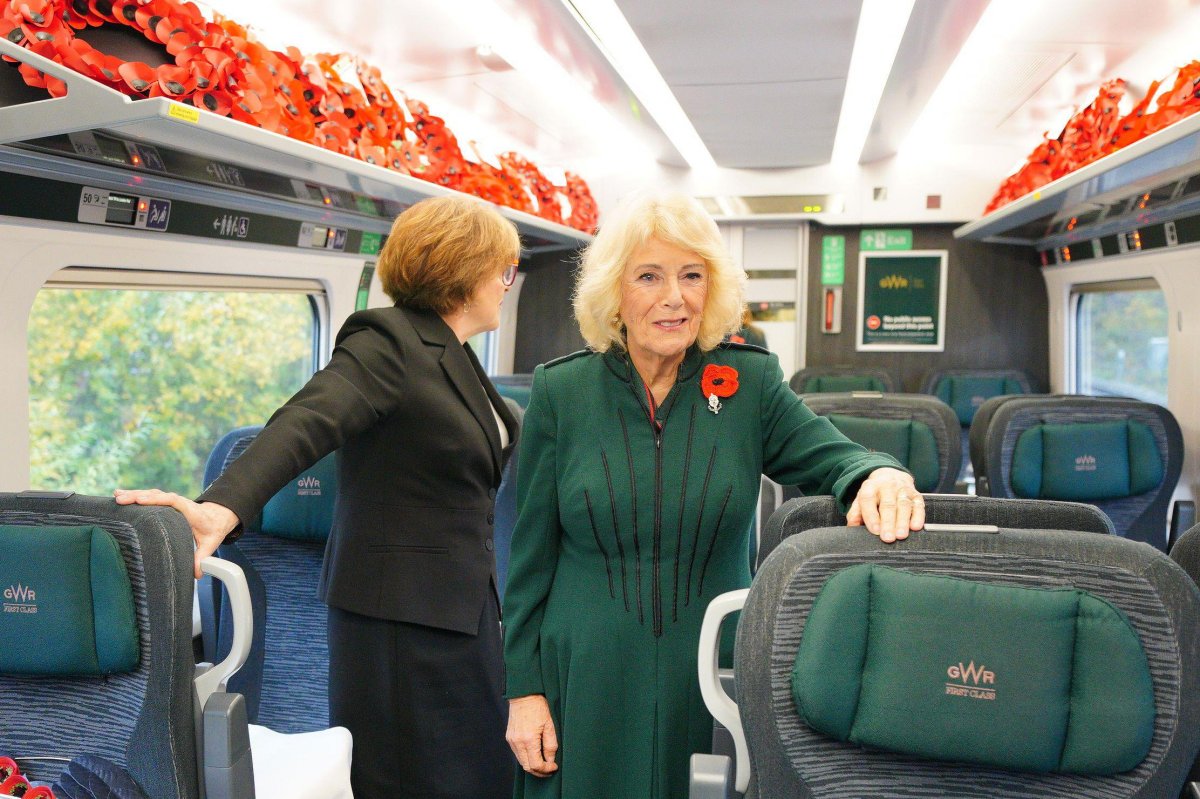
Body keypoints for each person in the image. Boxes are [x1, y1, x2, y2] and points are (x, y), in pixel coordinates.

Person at [502, 191, 923, 798]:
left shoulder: (749, 382)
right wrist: (524, 688)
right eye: (649, 276)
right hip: (583, 674)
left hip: (712, 669)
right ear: (614, 291)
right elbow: (529, 557)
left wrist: (878, 474)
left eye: (692, 275)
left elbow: (837, 457)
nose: (675, 296)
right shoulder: (562, 392)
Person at [115, 195, 521, 799]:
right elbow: (308, 421)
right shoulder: (389, 341)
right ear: (466, 270)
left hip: (463, 607)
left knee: (476, 772)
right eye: (504, 268)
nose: (507, 283)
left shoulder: (455, 352)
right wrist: (222, 509)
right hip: (399, 625)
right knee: (405, 783)